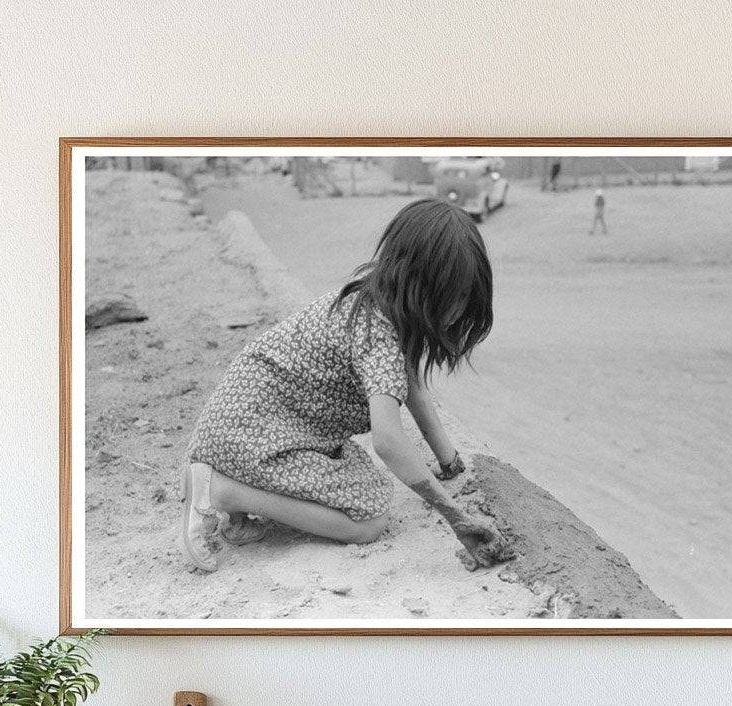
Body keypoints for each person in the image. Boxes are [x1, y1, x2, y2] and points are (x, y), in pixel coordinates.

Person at [180, 198, 513, 574]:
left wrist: (450, 463)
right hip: (255, 437)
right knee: (368, 521)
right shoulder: (378, 336)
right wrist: (455, 516)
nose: (459, 309)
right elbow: (387, 442)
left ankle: (236, 506)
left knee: (357, 473)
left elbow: (411, 385)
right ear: (425, 285)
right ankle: (222, 492)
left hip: (239, 424)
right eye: (458, 296)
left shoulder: (370, 301)